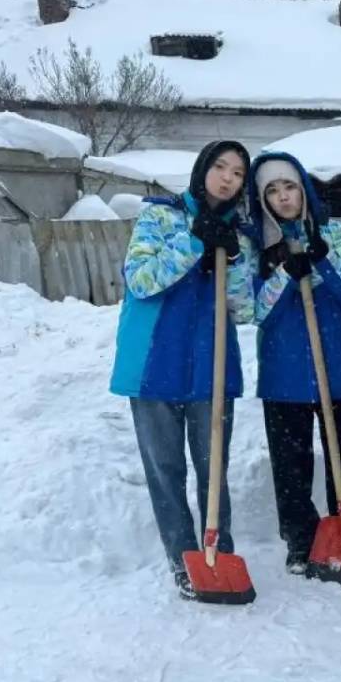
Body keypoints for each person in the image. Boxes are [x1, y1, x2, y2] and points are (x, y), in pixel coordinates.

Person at [109, 140, 254, 599]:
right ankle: (182, 558)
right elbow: (141, 280)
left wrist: (230, 259)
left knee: (214, 467)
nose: (227, 177)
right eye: (220, 166)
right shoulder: (160, 216)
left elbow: (245, 308)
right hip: (155, 362)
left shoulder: (241, 234)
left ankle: (218, 551)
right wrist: (196, 240)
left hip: (211, 365)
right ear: (202, 169)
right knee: (165, 468)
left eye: (237, 172)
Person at [249, 153, 341, 575]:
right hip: (284, 371)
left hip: (338, 366)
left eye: (289, 186)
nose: (283, 197)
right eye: (272, 190)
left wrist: (324, 261)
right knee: (291, 464)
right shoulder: (258, 247)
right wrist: (286, 273)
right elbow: (253, 310)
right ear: (263, 199)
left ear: (303, 188)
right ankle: (301, 538)